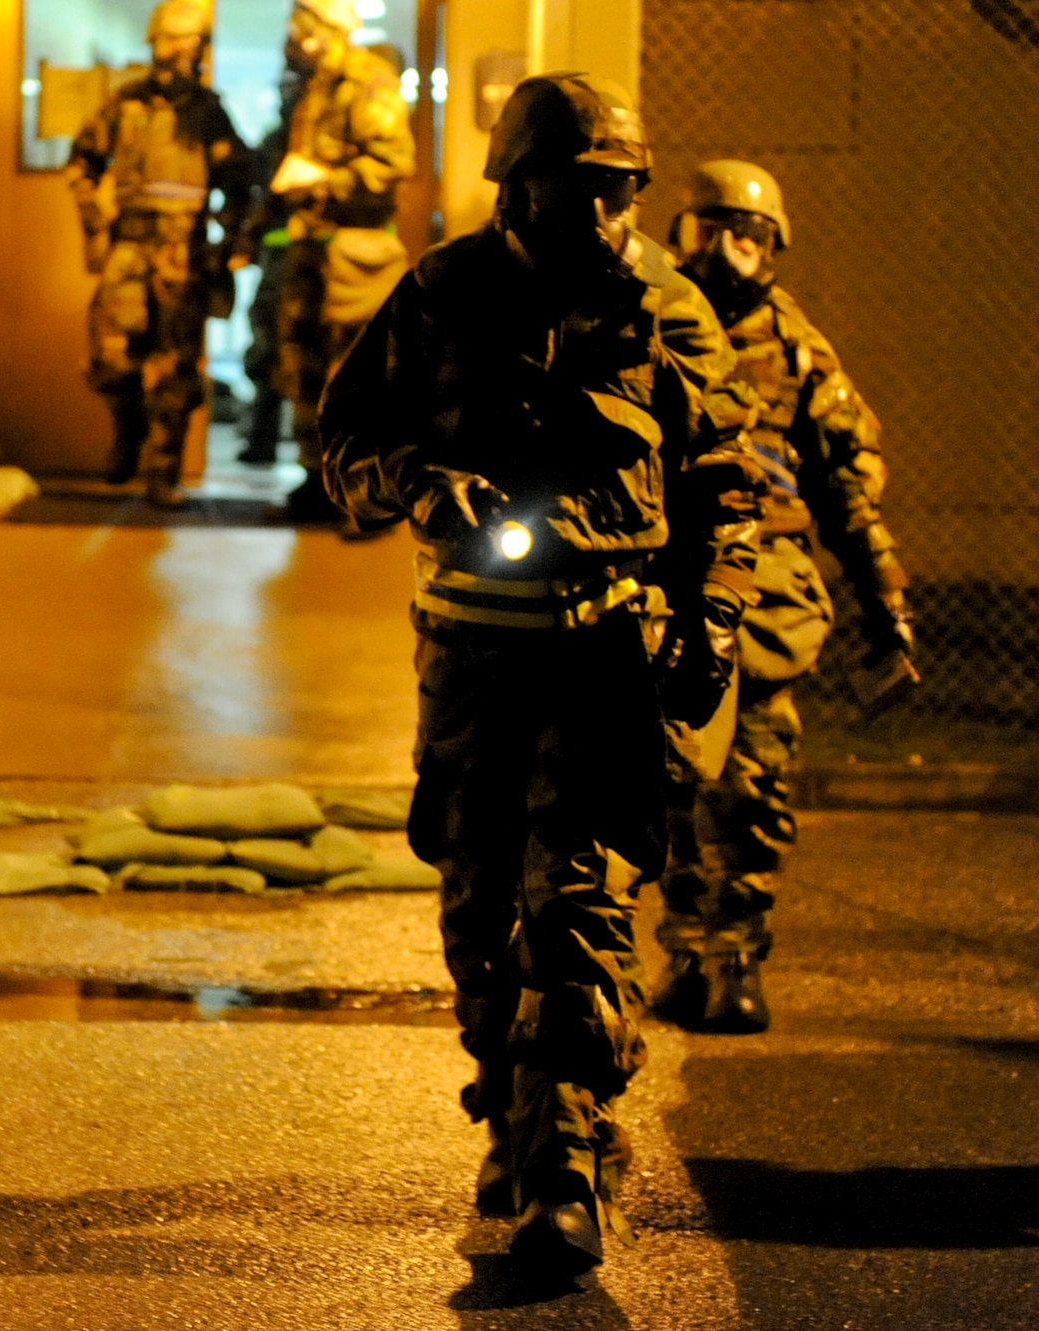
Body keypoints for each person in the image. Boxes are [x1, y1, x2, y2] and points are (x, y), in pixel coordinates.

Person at [319, 74, 763, 1276]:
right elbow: (344, 439)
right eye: (580, 190)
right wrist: (415, 481)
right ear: (517, 185)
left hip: (598, 658)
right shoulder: (442, 293)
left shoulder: (664, 310)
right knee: (478, 925)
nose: (603, 215)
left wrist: (709, 619)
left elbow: (725, 477)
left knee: (575, 913)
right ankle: (510, 1129)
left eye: (620, 193)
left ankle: (569, 1170)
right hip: (468, 664)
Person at [654, 161, 918, 1033]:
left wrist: (887, 607)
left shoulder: (798, 350)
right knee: (671, 777)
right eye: (713, 231)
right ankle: (687, 945)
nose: (731, 254)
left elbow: (848, 486)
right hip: (664, 581)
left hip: (765, 592)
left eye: (752, 235)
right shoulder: (647, 321)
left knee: (754, 774)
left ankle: (738, 952)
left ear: (775, 247)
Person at [66, 0, 253, 507]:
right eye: (172, 40)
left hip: (183, 252)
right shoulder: (124, 104)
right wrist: (94, 222)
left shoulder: (208, 112)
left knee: (176, 368)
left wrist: (228, 243)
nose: (180, 51)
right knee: (113, 356)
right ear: (154, 43)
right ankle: (126, 438)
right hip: (128, 248)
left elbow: (241, 181)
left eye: (189, 42)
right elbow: (81, 162)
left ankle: (163, 471)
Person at [274, 0, 415, 521]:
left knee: (355, 378)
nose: (293, 36)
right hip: (311, 248)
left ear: (326, 29)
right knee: (305, 368)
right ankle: (317, 480)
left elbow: (393, 161)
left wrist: (321, 180)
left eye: (302, 25)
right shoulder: (315, 86)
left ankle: (363, 499)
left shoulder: (368, 80)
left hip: (355, 252)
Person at [235, 68, 308, 467]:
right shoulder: (272, 145)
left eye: (293, 89)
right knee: (265, 351)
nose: (287, 96)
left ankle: (313, 463)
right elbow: (259, 203)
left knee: (306, 356)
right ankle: (263, 442)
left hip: (321, 266)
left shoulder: (318, 145)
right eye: (283, 89)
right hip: (277, 263)